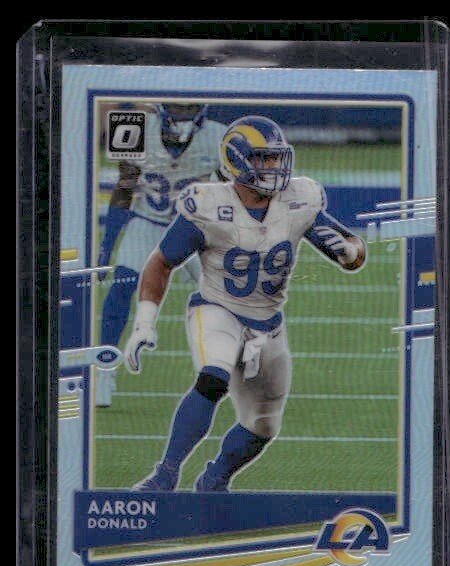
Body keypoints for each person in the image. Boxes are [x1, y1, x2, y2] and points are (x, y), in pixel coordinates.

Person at [123, 114, 366, 492]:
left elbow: (353, 251)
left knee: (264, 423)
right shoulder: (208, 205)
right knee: (213, 378)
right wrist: (144, 323)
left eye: (276, 157)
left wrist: (350, 252)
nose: (272, 167)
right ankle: (165, 475)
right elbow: (161, 262)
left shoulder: (299, 199)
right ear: (236, 160)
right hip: (217, 308)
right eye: (262, 158)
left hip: (268, 323)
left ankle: (215, 477)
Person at [95, 103, 228, 407]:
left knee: (228, 296)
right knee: (121, 286)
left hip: (194, 226)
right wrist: (107, 246)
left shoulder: (219, 136)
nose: (183, 112)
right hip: (148, 222)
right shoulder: (136, 127)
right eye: (179, 106)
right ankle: (104, 370)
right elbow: (124, 190)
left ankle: (231, 368)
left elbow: (230, 193)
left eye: (189, 106)